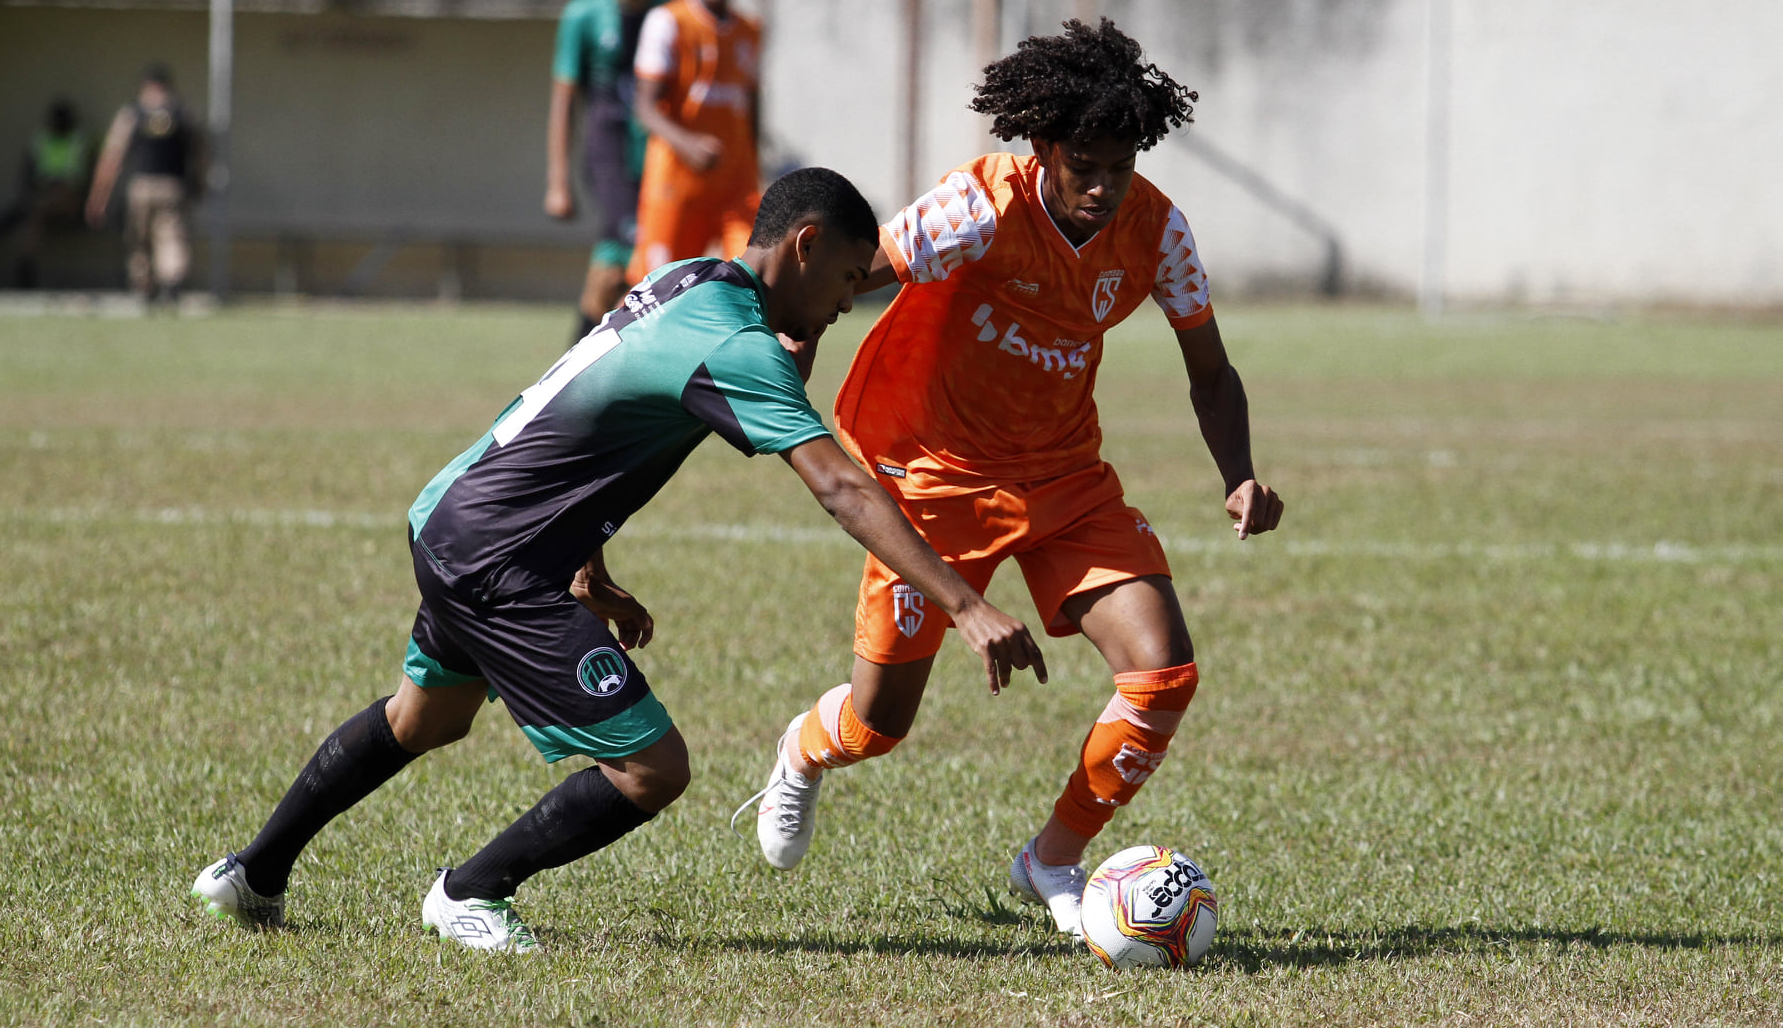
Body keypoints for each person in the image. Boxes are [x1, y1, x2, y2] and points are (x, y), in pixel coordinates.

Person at [188, 167, 1047, 954]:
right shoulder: (737, 342)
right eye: (850, 281)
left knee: (426, 718)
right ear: (806, 245)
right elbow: (843, 490)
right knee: (650, 768)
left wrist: (588, 570)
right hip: (497, 555)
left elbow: (580, 417)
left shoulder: (689, 280)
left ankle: (250, 875)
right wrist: (964, 605)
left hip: (456, 515)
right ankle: (469, 892)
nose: (848, 304)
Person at [739, 19, 1284, 939]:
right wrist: (786, 349)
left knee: (1162, 675)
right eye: (1083, 164)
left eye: (1120, 163)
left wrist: (1238, 473)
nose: (1102, 186)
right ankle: (801, 750)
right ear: (1041, 148)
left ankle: (1052, 860)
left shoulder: (1157, 232)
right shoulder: (979, 209)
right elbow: (835, 279)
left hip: (1064, 476)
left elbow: (1209, 370)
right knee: (878, 726)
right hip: (932, 477)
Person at [625, 0, 761, 285]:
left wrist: (754, 162)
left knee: (755, 280)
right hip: (677, 183)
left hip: (736, 185)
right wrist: (687, 145)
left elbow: (752, 107)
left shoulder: (749, 30)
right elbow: (644, 106)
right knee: (660, 288)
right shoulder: (669, 21)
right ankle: (609, 330)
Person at [546, 0, 658, 341]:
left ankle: (585, 369)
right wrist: (557, 181)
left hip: (660, 161)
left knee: (638, 272)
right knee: (618, 265)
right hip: (609, 159)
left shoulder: (668, 13)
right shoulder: (585, 15)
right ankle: (573, 368)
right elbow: (563, 100)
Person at [85, 63, 203, 305]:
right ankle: (171, 283)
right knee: (172, 236)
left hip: (141, 187)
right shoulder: (183, 114)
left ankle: (143, 285)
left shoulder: (132, 114)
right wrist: (199, 182)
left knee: (139, 240)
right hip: (173, 187)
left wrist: (98, 197)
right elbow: (201, 153)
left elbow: (112, 157)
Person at [0, 98, 91, 288]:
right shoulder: (41, 139)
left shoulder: (78, 140)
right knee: (33, 216)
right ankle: (26, 267)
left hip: (69, 199)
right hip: (42, 197)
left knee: (35, 210)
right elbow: (27, 173)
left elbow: (80, 179)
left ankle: (25, 265)